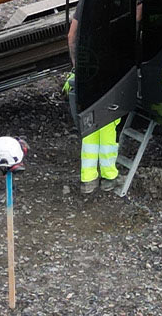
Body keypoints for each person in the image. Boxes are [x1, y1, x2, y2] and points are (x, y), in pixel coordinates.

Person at [63, 19, 121, 194]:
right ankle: (109, 177)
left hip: (87, 78)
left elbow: (71, 35)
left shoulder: (86, 6)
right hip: (108, 80)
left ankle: (88, 180)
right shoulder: (115, 14)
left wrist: (76, 65)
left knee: (89, 130)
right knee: (108, 131)